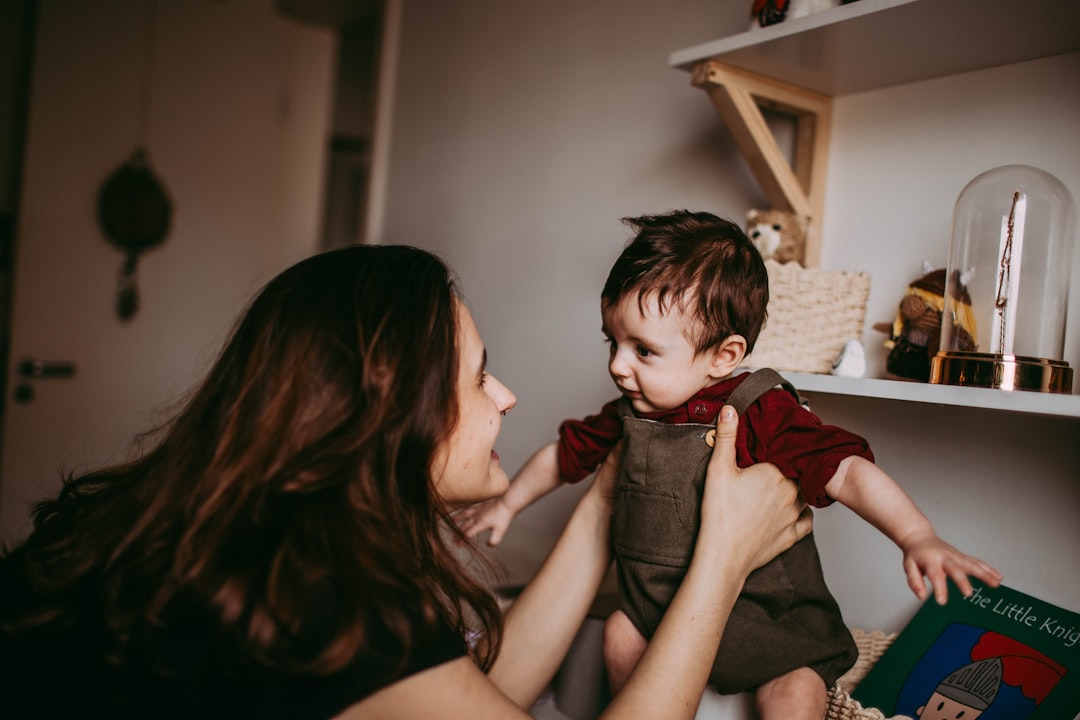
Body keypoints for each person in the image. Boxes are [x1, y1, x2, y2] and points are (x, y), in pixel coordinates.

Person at [0, 243, 812, 720]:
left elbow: (470, 693)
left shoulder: (267, 542)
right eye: (478, 378)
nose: (506, 397)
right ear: (389, 413)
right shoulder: (317, 595)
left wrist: (605, 498)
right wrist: (723, 557)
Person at [456, 211, 1004, 720]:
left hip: (770, 620)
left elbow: (847, 468)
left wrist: (917, 536)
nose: (618, 366)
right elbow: (563, 454)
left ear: (723, 356)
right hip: (663, 611)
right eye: (613, 342)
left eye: (643, 350)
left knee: (795, 692)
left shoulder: (761, 409)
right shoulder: (629, 414)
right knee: (620, 634)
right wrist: (507, 503)